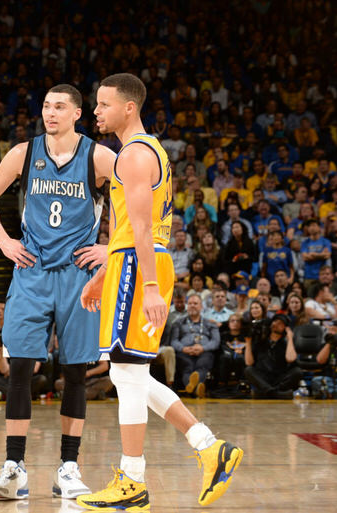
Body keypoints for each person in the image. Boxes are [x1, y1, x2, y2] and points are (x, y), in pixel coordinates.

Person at [79, 74, 242, 511]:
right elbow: (130, 229)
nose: (96, 111)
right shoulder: (144, 150)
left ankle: (133, 480)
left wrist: (147, 285)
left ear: (128, 107)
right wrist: (103, 274)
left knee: (126, 374)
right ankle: (210, 448)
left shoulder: (133, 154)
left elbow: (145, 229)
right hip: (128, 262)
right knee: (127, 372)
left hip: (139, 264)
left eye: (103, 104)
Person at [0, 83, 116, 500]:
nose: (50, 113)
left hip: (78, 274)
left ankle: (69, 468)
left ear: (78, 113)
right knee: (19, 367)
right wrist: (5, 242)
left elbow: (148, 199)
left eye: (59, 107)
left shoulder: (100, 156)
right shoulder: (23, 153)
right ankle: (13, 468)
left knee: (74, 372)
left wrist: (111, 247)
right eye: (45, 106)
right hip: (32, 271)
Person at [171, 294, 220, 397]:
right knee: (187, 367)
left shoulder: (210, 323)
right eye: (190, 303)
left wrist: (203, 348)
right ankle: (197, 388)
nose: (192, 305)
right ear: (186, 306)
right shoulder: (178, 323)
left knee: (202, 365)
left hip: (204, 352)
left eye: (195, 303)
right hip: (184, 352)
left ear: (201, 306)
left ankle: (191, 387)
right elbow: (174, 341)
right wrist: (183, 348)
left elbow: (216, 341)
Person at [243, 313, 302, 399]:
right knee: (248, 370)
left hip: (279, 378)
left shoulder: (286, 343)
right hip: (263, 377)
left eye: (280, 323)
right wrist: (248, 342)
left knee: (297, 372)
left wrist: (290, 338)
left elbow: (290, 359)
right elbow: (249, 362)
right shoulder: (261, 341)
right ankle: (276, 393)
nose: (276, 324)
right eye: (275, 321)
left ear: (285, 328)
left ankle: (265, 393)